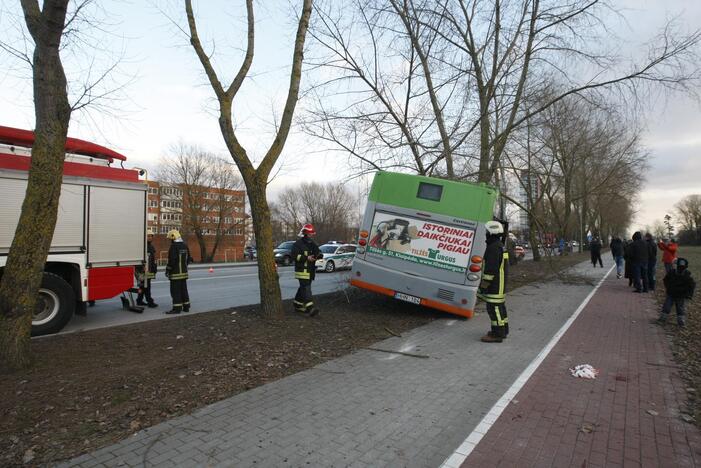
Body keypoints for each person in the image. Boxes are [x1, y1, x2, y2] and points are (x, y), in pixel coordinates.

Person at [478, 221, 509, 343]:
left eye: (487, 232)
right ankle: (503, 330)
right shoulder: (500, 245)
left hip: (495, 286)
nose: (486, 234)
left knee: (494, 309)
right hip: (500, 284)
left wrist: (484, 286)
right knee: (500, 309)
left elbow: (490, 270)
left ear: (491, 233)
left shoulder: (493, 248)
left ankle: (497, 334)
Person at [652, 257, 695, 328]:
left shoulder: (687, 276)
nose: (680, 269)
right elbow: (666, 280)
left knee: (680, 308)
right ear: (677, 266)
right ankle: (662, 318)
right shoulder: (672, 272)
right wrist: (668, 287)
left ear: (685, 267)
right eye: (679, 267)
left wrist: (689, 295)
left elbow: (691, 286)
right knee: (667, 306)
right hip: (671, 293)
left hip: (681, 295)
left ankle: (681, 321)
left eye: (682, 268)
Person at [292, 223, 323, 316]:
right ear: (305, 233)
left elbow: (318, 251)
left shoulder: (312, 243)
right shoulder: (298, 244)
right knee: (306, 288)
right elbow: (294, 256)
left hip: (310, 271)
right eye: (309, 234)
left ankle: (297, 305)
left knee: (303, 288)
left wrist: (319, 255)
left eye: (311, 234)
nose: (311, 236)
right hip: (302, 271)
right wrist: (306, 258)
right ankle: (310, 308)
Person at [165, 229, 191, 314]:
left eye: (170, 239)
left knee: (175, 291)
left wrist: (168, 269)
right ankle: (186, 307)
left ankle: (177, 308)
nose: (170, 241)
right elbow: (188, 259)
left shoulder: (174, 247)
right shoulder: (185, 245)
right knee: (184, 290)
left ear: (173, 237)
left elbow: (172, 260)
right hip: (184, 273)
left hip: (175, 274)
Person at [136, 231, 158, 308]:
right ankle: (150, 302)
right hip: (142, 271)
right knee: (146, 286)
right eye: (148, 236)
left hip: (149, 270)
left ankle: (139, 300)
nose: (150, 238)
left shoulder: (151, 247)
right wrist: (141, 269)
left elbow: (152, 260)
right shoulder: (142, 247)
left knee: (142, 286)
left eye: (151, 236)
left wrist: (154, 269)